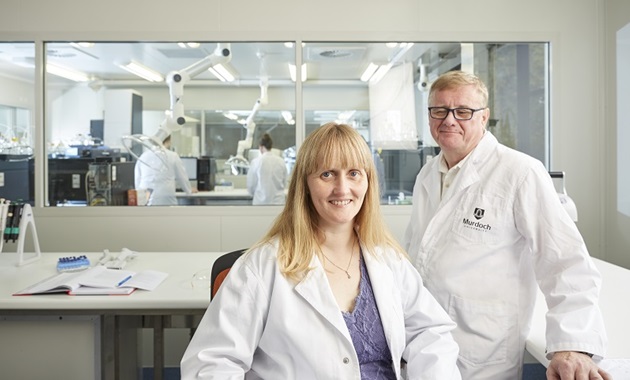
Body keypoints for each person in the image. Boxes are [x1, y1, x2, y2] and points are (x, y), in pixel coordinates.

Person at [181, 122, 462, 379]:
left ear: (368, 182)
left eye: (354, 173)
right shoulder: (261, 267)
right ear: (304, 184)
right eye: (327, 174)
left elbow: (430, 332)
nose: (343, 188)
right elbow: (210, 364)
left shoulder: (387, 258)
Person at [403, 70, 609, 379]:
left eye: (463, 111)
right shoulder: (428, 174)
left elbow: (566, 262)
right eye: (439, 110)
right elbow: (417, 251)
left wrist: (573, 344)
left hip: (482, 348)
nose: (449, 120)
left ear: (483, 117)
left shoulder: (519, 172)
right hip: (426, 340)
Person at [134, 135, 195, 206]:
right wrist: (189, 190)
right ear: (168, 141)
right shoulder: (173, 156)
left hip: (146, 201)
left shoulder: (143, 156)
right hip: (166, 200)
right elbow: (182, 177)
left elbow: (137, 181)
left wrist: (140, 199)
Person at [246, 133, 287, 205]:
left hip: (260, 203)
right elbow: (284, 182)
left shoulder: (256, 162)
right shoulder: (281, 161)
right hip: (278, 203)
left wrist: (254, 193)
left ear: (261, 147)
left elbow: (251, 185)